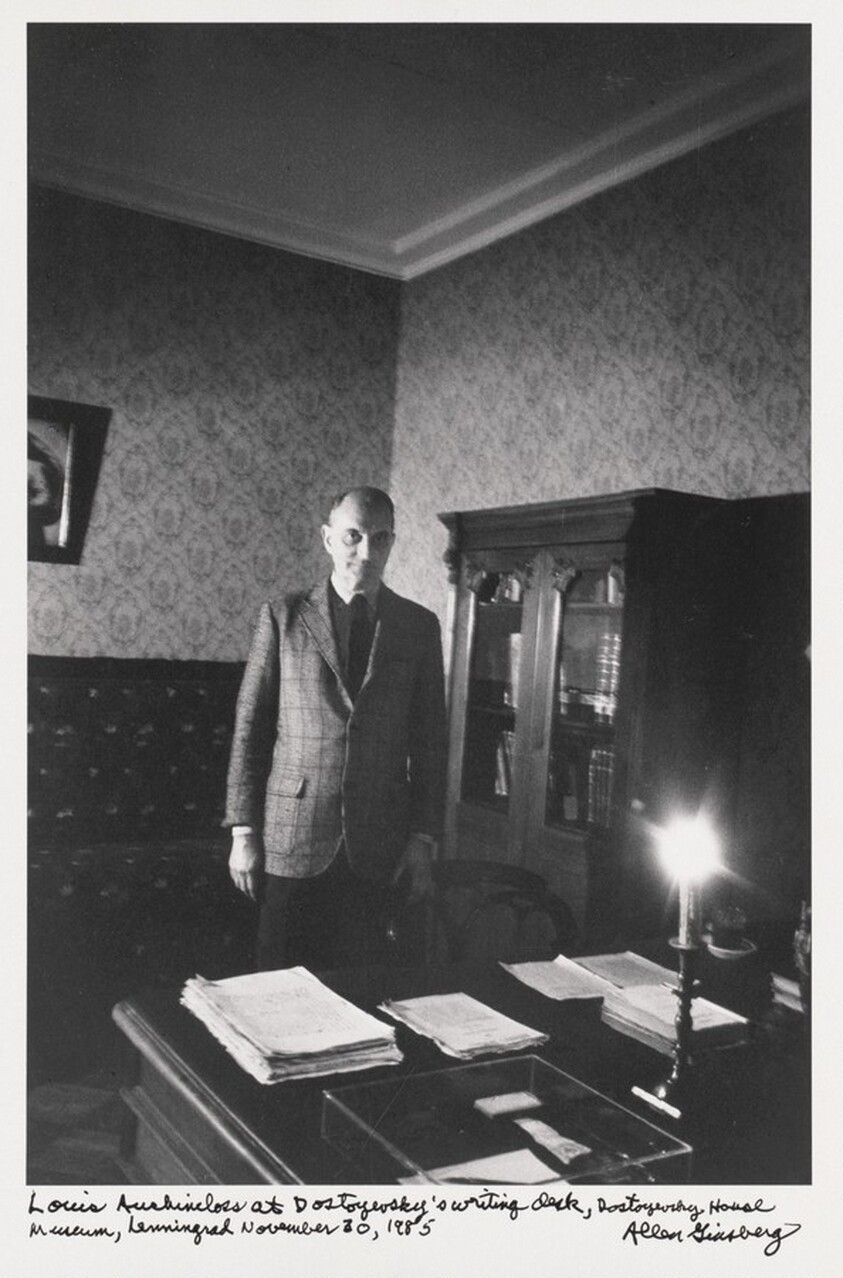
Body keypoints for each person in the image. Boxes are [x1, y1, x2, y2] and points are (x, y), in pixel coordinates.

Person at [224, 486, 447, 970]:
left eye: (380, 539)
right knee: (277, 987)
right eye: (353, 536)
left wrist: (422, 840)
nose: (366, 552)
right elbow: (251, 729)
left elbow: (431, 743)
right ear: (328, 539)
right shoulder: (282, 616)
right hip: (292, 835)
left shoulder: (418, 626)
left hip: (378, 843)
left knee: (362, 988)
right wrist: (244, 832)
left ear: (392, 543)